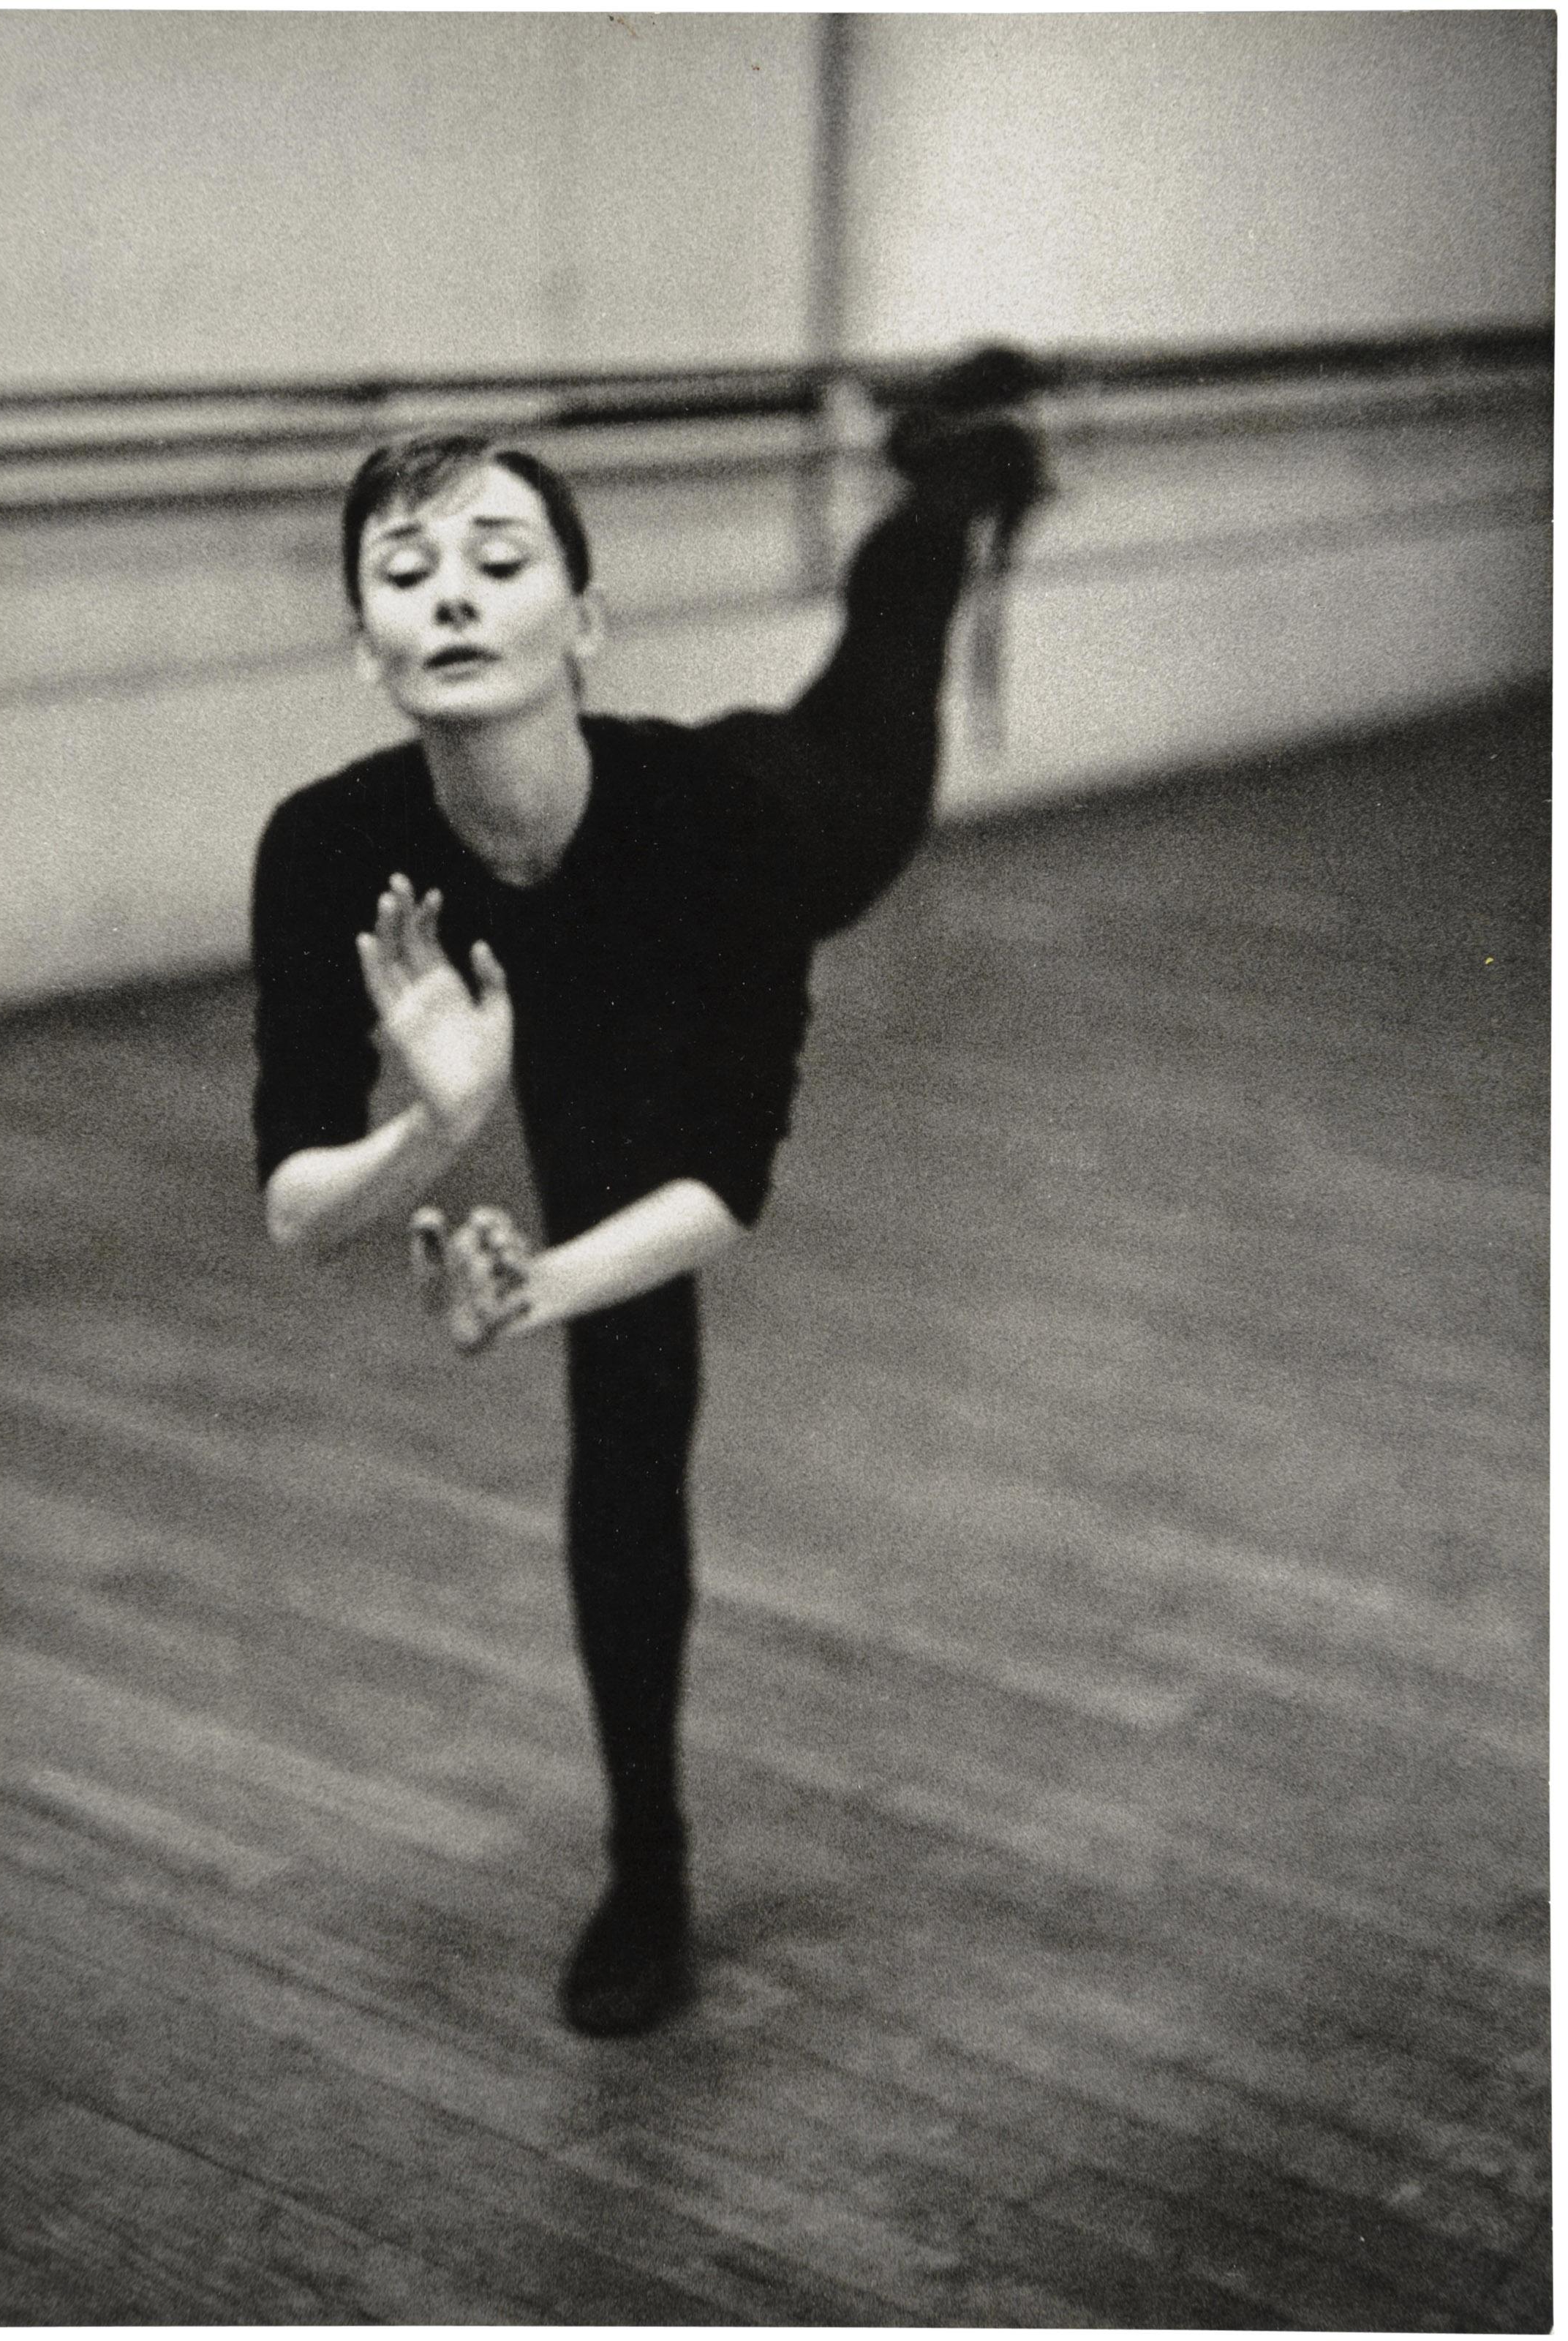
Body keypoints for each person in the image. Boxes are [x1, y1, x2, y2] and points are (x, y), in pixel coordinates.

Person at [251, 349, 1050, 2036]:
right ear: (364, 647)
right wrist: (438, 1126)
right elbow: (295, 1205)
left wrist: (539, 1279)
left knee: (885, 656)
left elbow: (727, 1183)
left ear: (585, 624)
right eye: (405, 575)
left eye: (497, 561)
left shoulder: (717, 829)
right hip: (542, 967)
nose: (450, 596)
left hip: (793, 821)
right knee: (632, 1401)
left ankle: (955, 481)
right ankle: (650, 1870)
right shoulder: (330, 847)